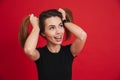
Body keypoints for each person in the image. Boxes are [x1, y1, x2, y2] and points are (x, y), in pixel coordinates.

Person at [18, 8, 87, 80]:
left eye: (60, 26)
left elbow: (82, 36)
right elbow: (28, 50)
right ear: (43, 33)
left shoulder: (69, 52)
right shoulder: (40, 55)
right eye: (52, 28)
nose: (59, 32)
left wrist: (64, 20)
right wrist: (36, 27)